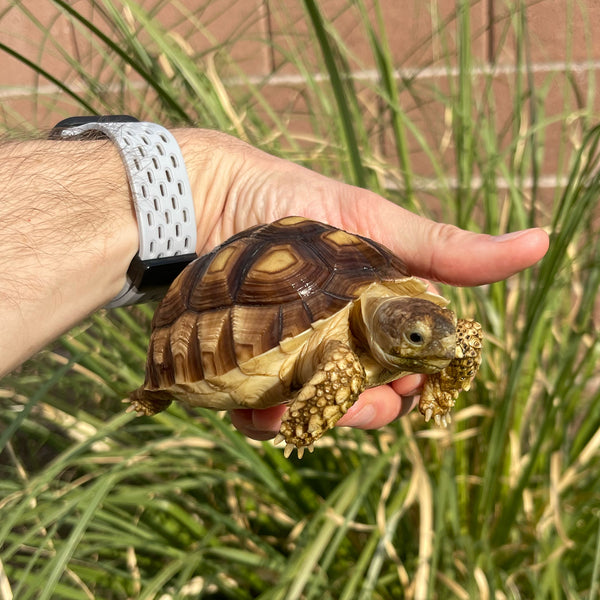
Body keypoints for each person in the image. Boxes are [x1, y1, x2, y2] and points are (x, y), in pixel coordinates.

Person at [0, 127, 549, 441]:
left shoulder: (410, 304)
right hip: (236, 297)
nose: (442, 347)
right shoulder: (342, 351)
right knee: (339, 373)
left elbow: (453, 341)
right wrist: (305, 425)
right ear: (388, 329)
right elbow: (340, 367)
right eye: (415, 342)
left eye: (434, 339)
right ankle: (154, 387)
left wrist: (445, 377)